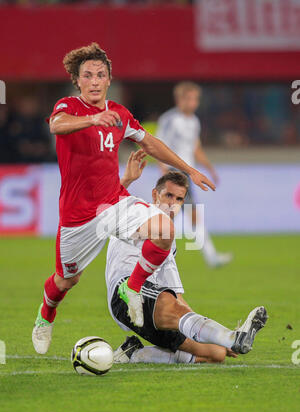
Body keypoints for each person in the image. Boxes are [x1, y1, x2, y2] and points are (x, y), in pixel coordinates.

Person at [32, 43, 216, 355]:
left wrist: (188, 169)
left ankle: (132, 289)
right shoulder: (68, 107)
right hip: (78, 217)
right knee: (65, 281)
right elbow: (55, 125)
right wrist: (92, 120)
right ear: (77, 81)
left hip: (113, 204)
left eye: (100, 75)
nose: (94, 81)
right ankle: (45, 316)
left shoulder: (119, 113)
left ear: (108, 80)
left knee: (164, 230)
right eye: (87, 75)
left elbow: (152, 142)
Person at [106, 152, 268, 365]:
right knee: (170, 305)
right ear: (155, 194)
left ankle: (132, 354)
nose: (173, 204)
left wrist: (205, 332)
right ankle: (234, 338)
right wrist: (126, 179)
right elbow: (105, 208)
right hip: (126, 294)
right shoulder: (137, 211)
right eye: (168, 196)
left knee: (216, 354)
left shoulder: (169, 242)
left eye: (179, 199)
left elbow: (177, 296)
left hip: (153, 305)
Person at [156, 81, 232, 268]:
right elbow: (158, 146)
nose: (193, 103)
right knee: (175, 216)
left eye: (195, 99)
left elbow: (196, 149)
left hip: (187, 174)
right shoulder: (170, 120)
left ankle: (209, 257)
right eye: (189, 98)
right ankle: (209, 257)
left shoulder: (194, 121)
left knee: (179, 215)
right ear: (179, 99)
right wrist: (164, 173)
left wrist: (209, 169)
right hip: (174, 174)